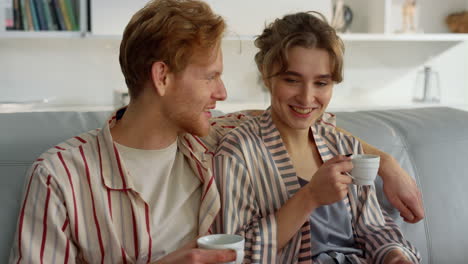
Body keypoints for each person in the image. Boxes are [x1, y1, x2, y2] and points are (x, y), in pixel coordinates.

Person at [9, 0, 422, 263]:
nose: (223, 93)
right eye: (211, 78)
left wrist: (385, 162)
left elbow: (310, 123)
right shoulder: (60, 176)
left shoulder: (212, 140)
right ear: (162, 77)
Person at [213, 12, 420, 263]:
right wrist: (310, 196)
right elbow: (236, 255)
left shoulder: (344, 146)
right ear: (265, 72)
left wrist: (394, 256)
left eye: (321, 83)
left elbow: (374, 228)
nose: (306, 97)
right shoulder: (238, 153)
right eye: (292, 80)